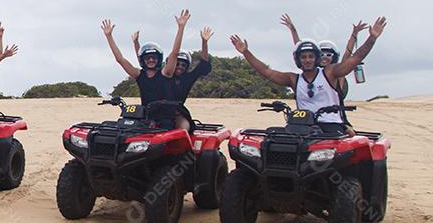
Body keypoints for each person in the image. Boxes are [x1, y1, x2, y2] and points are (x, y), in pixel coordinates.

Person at [230, 17, 387, 132]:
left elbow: (355, 58)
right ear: (298, 60)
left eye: (311, 56)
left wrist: (371, 38)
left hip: (331, 125)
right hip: (301, 125)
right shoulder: (293, 79)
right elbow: (266, 71)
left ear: (316, 58)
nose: (307, 60)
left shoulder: (330, 73)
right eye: (303, 57)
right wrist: (246, 52)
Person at [101, 12, 185, 105]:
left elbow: (174, 53)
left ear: (159, 58)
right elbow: (120, 59)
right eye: (147, 58)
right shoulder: (139, 75)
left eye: (154, 57)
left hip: (165, 117)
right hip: (145, 116)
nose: (151, 60)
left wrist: (181, 27)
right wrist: (109, 36)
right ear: (143, 60)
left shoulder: (166, 73)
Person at [280, 14, 367, 101]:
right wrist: (293, 30)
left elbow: (347, 54)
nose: (325, 57)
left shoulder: (337, 74)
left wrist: (354, 34)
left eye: (328, 55)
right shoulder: (310, 72)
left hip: (332, 113)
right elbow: (300, 50)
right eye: (322, 54)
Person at [135, 26, 215, 103]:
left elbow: (203, 63)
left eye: (183, 65)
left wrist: (204, 42)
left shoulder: (188, 78)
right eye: (177, 64)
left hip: (178, 111)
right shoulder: (163, 74)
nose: (180, 67)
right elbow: (144, 63)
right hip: (159, 110)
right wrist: (136, 43)